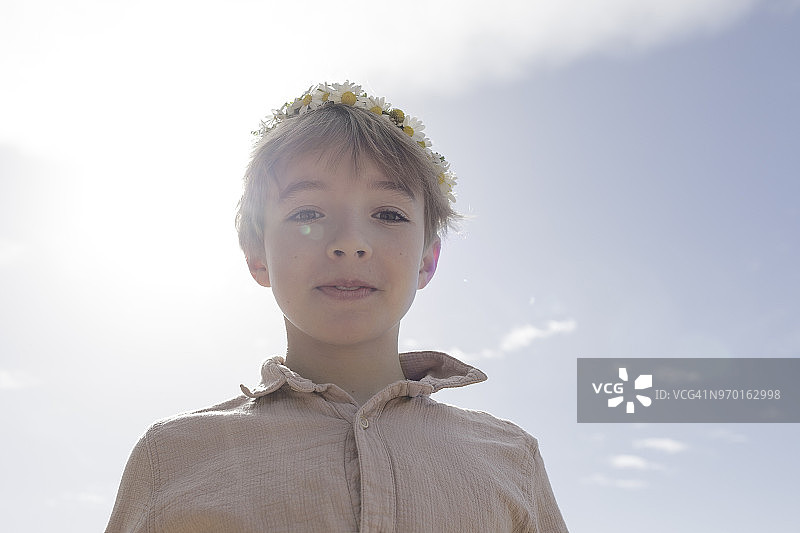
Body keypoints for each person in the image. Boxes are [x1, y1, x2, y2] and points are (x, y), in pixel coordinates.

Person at [106, 81, 569, 532]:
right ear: (256, 253)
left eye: (388, 214)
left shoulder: (510, 457)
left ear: (428, 259)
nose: (350, 243)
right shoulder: (173, 457)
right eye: (307, 213)